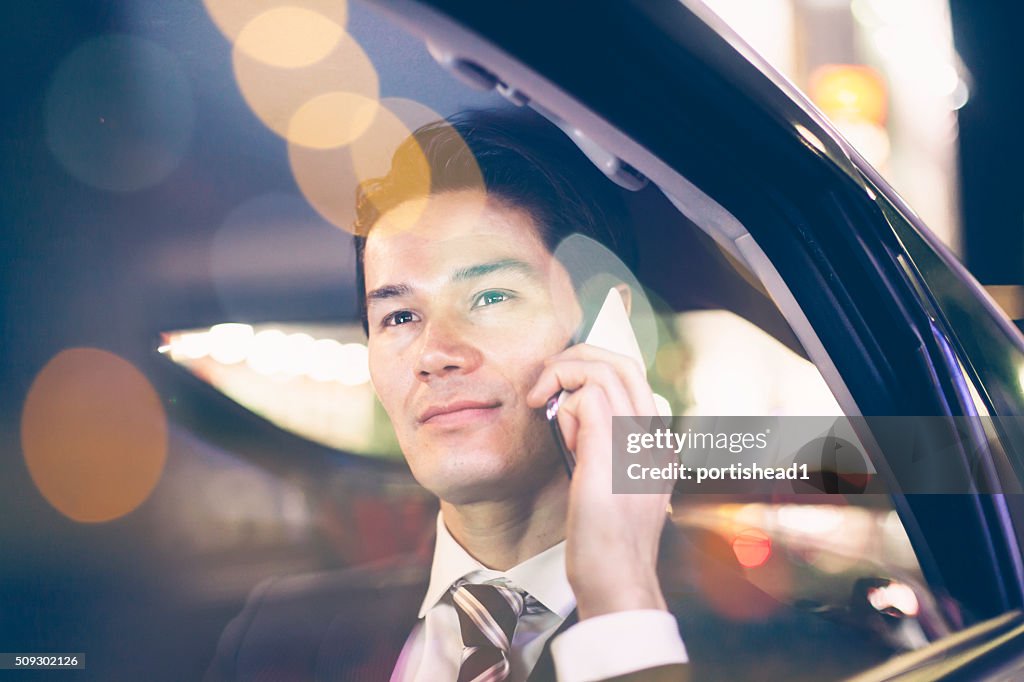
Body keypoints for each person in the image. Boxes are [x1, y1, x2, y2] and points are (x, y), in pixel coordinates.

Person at [206, 108, 688, 682]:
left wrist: (622, 602)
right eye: (401, 315)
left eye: (490, 298)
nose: (436, 353)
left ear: (605, 321)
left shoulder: (779, 637)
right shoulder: (271, 640)